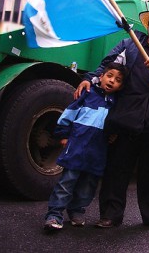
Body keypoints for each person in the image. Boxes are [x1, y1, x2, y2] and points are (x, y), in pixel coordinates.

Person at [74, 2, 149, 232]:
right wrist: (91, 78)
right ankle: (110, 215)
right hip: (125, 118)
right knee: (117, 169)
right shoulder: (130, 45)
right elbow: (108, 66)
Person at [44, 62, 128, 231]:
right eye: (109, 76)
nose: (112, 81)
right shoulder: (87, 94)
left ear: (121, 86)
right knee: (67, 181)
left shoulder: (117, 104)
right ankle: (54, 214)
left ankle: (76, 210)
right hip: (77, 146)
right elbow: (69, 114)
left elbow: (116, 125)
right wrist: (64, 134)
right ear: (101, 76)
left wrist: (114, 135)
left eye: (118, 80)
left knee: (88, 184)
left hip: (98, 151)